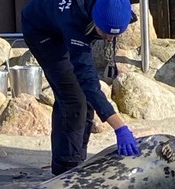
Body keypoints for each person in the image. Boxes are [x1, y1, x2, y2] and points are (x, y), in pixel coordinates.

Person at [21, 0, 140, 176]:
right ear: (94, 19)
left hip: (67, 23)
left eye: (114, 35)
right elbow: (87, 80)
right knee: (73, 98)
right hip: (41, 31)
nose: (108, 39)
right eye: (105, 33)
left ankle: (78, 159)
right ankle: (65, 170)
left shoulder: (117, 7)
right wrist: (119, 127)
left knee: (87, 99)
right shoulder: (73, 21)